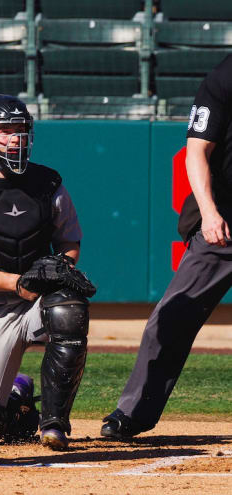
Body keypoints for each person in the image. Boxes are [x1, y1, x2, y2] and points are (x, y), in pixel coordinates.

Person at [0, 94, 90, 450]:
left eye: (21, 130)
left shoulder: (48, 184)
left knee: (69, 308)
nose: (15, 138)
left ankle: (54, 424)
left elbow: (69, 242)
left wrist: (60, 268)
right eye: (5, 130)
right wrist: (15, 283)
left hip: (40, 304)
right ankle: (19, 396)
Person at [101, 54, 232, 438]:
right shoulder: (224, 76)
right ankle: (132, 414)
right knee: (173, 317)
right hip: (223, 220)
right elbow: (197, 151)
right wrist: (208, 214)